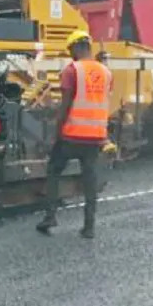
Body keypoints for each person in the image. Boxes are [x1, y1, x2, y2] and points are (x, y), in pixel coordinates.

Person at [36, 30, 113, 239]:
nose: (70, 54)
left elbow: (66, 105)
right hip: (96, 136)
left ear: (77, 48)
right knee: (90, 180)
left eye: (71, 50)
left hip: (72, 135)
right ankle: (89, 227)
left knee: (54, 171)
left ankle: (50, 217)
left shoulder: (72, 71)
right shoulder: (106, 72)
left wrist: (55, 132)